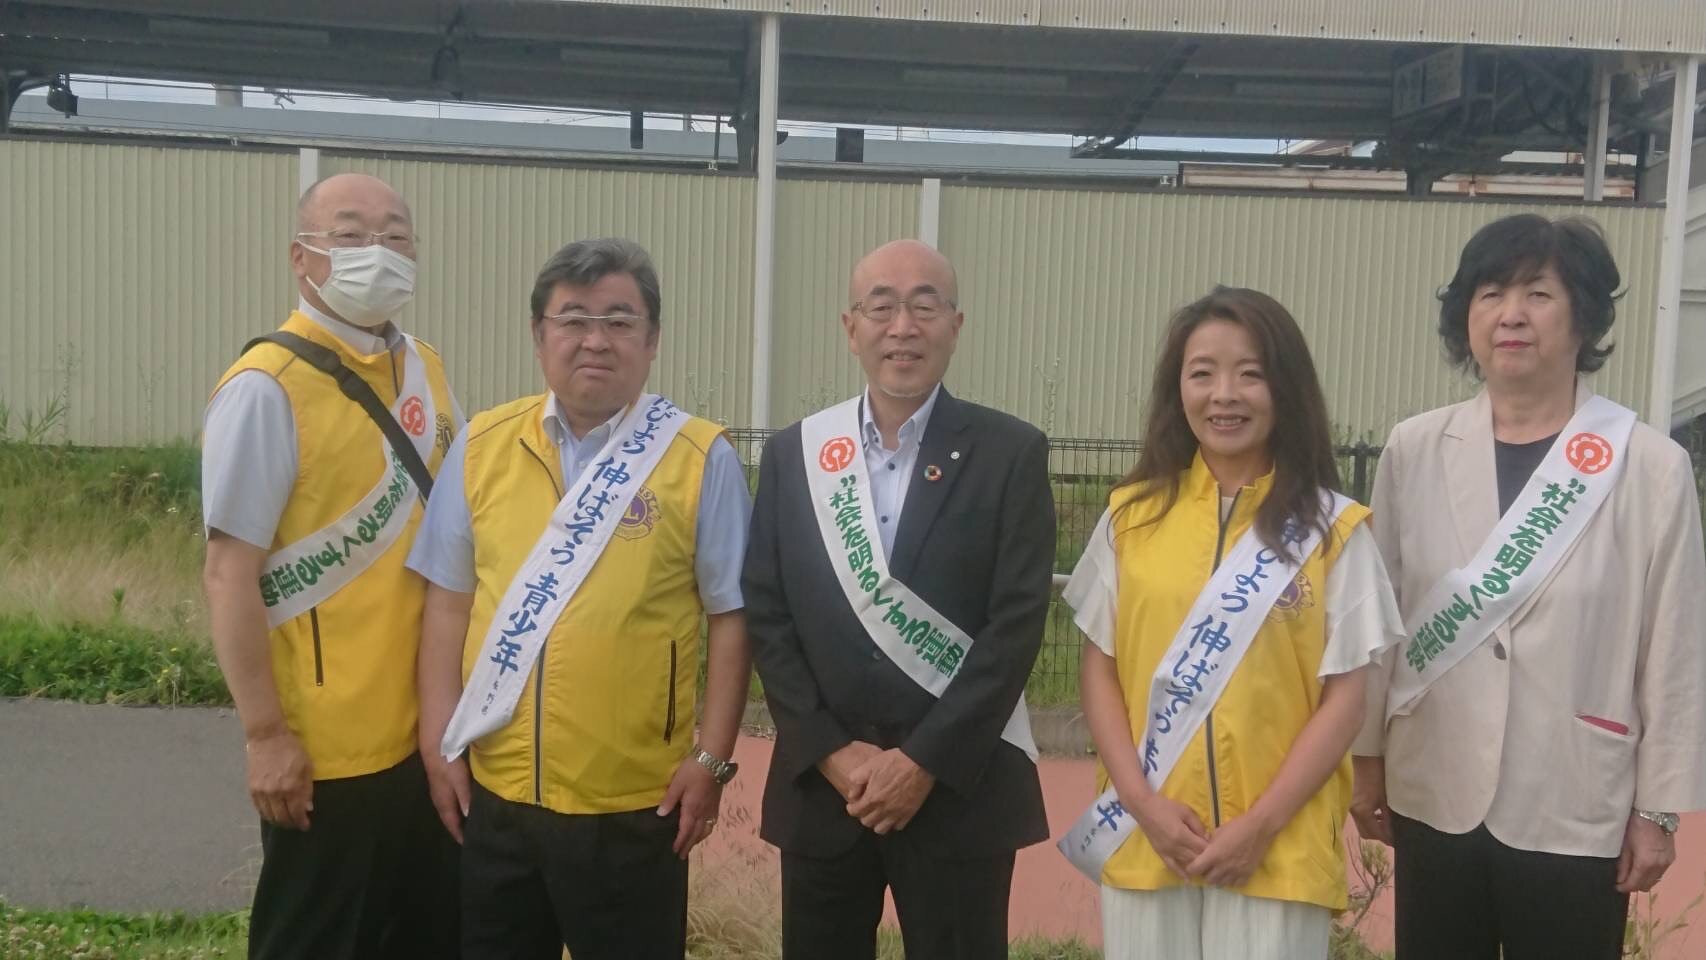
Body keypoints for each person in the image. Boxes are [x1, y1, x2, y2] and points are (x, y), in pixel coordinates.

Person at [1350, 214, 1706, 960]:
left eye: (1538, 294)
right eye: (1491, 294)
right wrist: (1367, 758)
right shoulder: (1415, 449)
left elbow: (1675, 648)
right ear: (1465, 318)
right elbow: (1378, 620)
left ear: (1584, 317)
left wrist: (1659, 809)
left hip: (1575, 794)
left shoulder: (1649, 466)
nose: (1511, 314)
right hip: (1434, 785)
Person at [409, 237, 752, 960]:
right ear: (540, 336)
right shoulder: (482, 445)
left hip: (636, 804)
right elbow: (447, 601)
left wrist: (713, 759)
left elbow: (732, 618)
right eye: (573, 319)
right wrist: (438, 742)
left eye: (620, 321)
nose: (596, 340)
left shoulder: (699, 459)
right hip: (497, 795)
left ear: (652, 341)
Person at [1061, 287, 1403, 960]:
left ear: (1286, 388)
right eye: (1203, 373)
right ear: (1177, 388)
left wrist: (1261, 825)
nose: (1225, 395)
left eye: (1250, 373)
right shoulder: (1131, 518)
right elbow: (1099, 670)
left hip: (1279, 846)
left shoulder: (1333, 531)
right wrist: (1143, 804)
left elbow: (1345, 700)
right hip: (1150, 834)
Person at [742, 238, 1053, 960]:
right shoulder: (796, 455)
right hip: (826, 791)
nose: (903, 327)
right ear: (850, 327)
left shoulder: (1011, 452)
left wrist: (921, 763)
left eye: (925, 306)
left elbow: (1016, 625)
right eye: (881, 307)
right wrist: (829, 751)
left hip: (960, 789)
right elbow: (768, 610)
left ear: (956, 325)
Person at [201, 172, 462, 960]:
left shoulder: (424, 368)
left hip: (429, 734)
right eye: (350, 235)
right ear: (301, 257)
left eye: (395, 235)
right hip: (329, 750)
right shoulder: (265, 389)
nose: (377, 251)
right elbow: (228, 573)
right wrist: (265, 736)